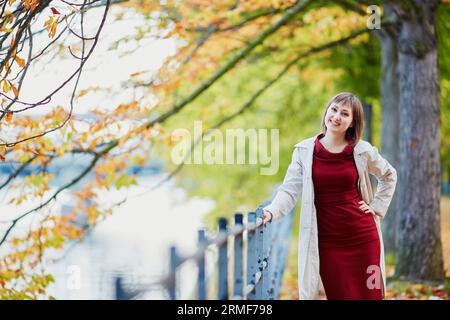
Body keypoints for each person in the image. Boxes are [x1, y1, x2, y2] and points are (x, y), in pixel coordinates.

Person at [262, 92, 397, 300]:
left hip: (363, 238)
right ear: (327, 112)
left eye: (344, 114)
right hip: (327, 243)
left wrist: (378, 206)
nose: (336, 116)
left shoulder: (361, 150)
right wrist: (270, 212)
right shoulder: (304, 151)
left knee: (371, 295)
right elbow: (289, 191)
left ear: (352, 122)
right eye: (334, 110)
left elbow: (389, 175)